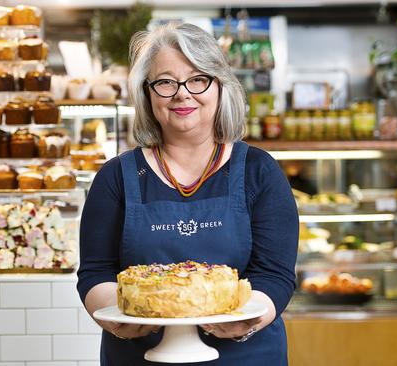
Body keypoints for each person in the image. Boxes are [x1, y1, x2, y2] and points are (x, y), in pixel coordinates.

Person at [77, 22, 298, 365]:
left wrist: (250, 318)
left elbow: (275, 274)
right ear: (147, 93)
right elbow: (95, 272)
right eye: (165, 82)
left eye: (198, 79)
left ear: (220, 86)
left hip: (246, 356)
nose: (182, 93)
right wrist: (118, 319)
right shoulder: (115, 177)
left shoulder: (259, 171)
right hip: (139, 357)